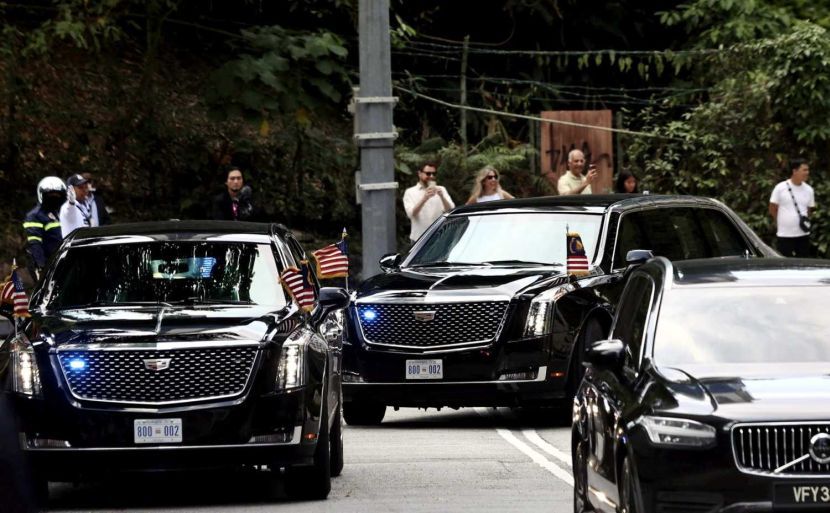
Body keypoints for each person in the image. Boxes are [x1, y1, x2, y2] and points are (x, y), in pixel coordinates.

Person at [769, 158, 816, 257]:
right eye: (804, 170)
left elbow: (809, 210)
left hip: (803, 234)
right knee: (785, 263)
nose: (807, 173)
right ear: (794, 171)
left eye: (808, 170)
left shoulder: (809, 190)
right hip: (784, 235)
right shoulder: (780, 188)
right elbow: (772, 208)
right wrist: (781, 221)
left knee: (803, 262)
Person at [23, 176, 66, 277]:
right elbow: (34, 243)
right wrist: (41, 267)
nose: (54, 198)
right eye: (51, 195)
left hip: (61, 261)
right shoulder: (35, 216)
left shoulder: (59, 213)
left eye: (58, 195)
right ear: (42, 195)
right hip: (47, 265)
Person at [403, 162, 455, 243]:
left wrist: (442, 197)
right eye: (428, 173)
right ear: (419, 174)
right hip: (419, 238)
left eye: (434, 174)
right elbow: (411, 214)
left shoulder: (441, 189)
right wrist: (424, 198)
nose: (431, 176)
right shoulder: (410, 192)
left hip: (440, 236)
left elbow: (451, 211)